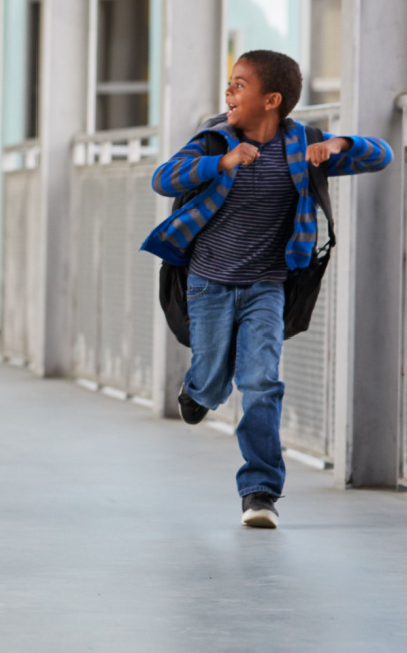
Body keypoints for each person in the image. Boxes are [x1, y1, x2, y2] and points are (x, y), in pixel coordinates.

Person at [142, 50, 391, 529]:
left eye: (239, 84)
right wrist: (221, 162)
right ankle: (198, 388)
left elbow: (382, 155)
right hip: (209, 283)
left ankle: (259, 491)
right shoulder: (214, 139)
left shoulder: (302, 148)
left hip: (267, 287)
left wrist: (339, 143)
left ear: (271, 100)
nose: (229, 92)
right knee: (214, 381)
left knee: (260, 381)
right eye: (230, 84)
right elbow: (163, 178)